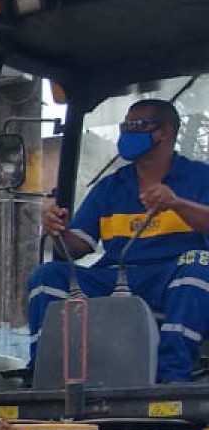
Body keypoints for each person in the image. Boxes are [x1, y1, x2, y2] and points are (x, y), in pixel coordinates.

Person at [28, 99, 209, 382]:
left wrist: (176, 204)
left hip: (171, 276)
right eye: (124, 126)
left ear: (166, 132)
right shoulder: (110, 187)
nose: (126, 134)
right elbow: (78, 248)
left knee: (199, 264)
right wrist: (58, 230)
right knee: (47, 275)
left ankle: (172, 377)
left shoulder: (200, 177)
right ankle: (43, 373)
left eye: (137, 126)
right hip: (116, 279)